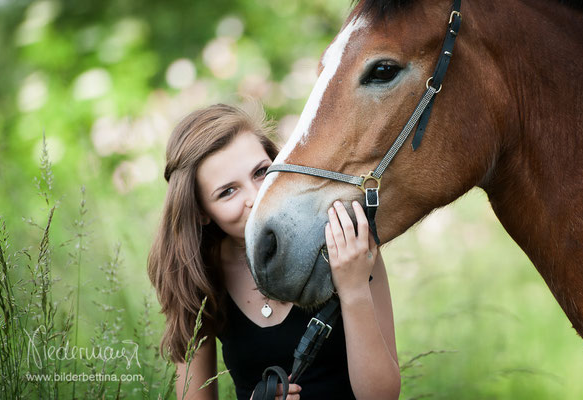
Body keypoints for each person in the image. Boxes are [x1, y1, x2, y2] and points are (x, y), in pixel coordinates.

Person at [147, 103, 401, 400]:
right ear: (201, 212)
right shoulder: (199, 275)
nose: (257, 198)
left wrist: (354, 288)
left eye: (260, 172)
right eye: (227, 191)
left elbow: (383, 397)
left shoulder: (345, 243)